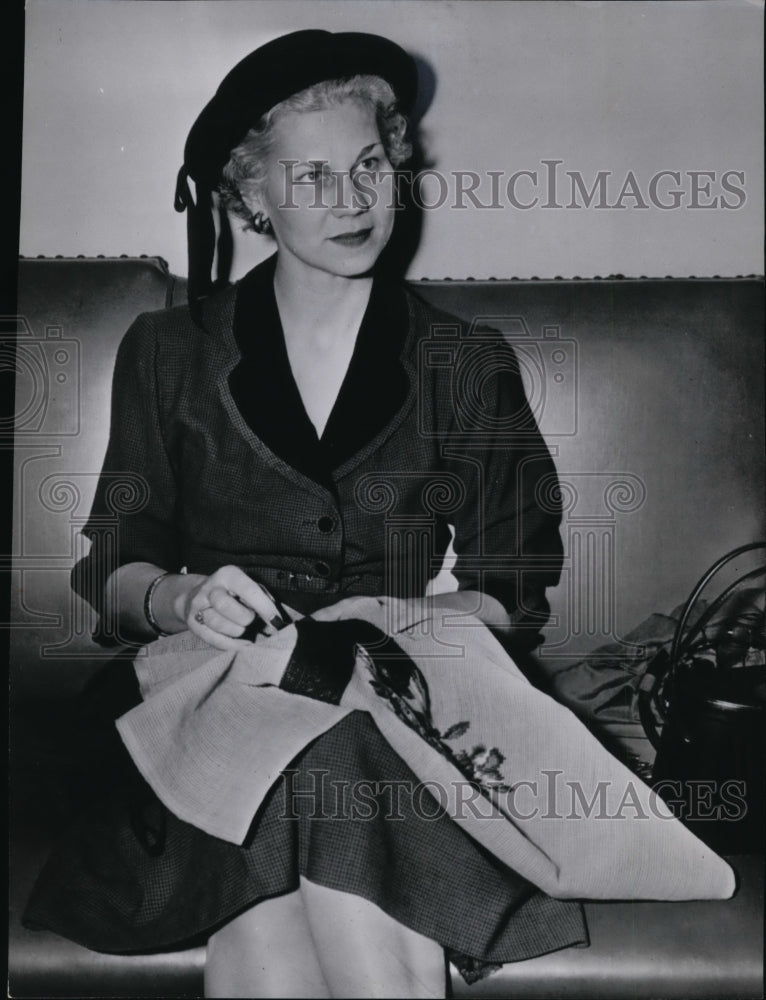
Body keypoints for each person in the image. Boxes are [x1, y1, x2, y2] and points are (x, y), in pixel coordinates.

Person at [25, 28, 707, 999]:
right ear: (248, 193)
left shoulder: (464, 363)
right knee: (307, 753)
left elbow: (508, 594)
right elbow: (112, 571)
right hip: (192, 715)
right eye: (311, 176)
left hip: (386, 707)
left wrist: (372, 638)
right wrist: (185, 600)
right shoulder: (165, 352)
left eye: (370, 165)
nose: (352, 201)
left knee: (330, 748)